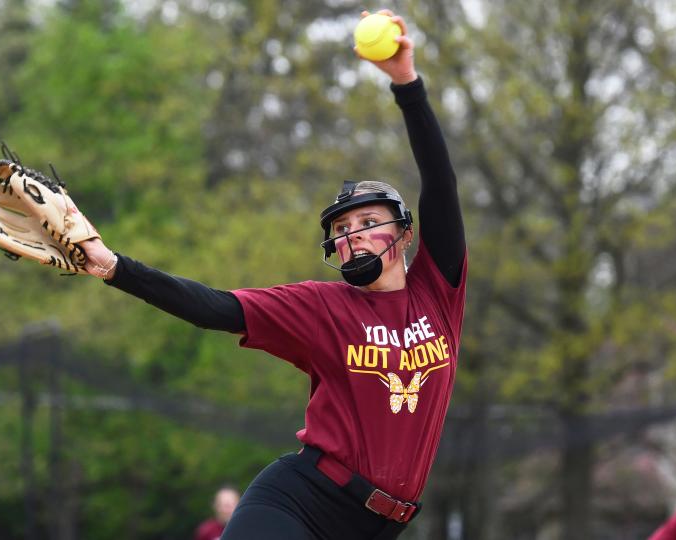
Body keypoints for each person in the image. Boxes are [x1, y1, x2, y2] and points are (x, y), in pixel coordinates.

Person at [78, 9, 465, 540]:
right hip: (301, 501)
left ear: (403, 234)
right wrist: (114, 267)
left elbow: (440, 185)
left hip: (379, 526)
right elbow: (213, 307)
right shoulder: (324, 307)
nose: (352, 235)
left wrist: (407, 85)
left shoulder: (437, 294)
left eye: (369, 222)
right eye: (343, 228)